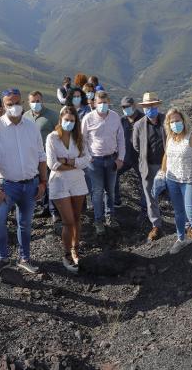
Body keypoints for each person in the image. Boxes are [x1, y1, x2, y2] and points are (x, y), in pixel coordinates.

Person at [0, 88, 48, 275]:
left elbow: (41, 157)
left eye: (17, 103)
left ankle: (24, 258)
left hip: (31, 184)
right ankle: (2, 257)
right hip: (6, 185)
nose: (14, 107)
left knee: (26, 223)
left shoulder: (31, 127)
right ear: (3, 105)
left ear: (22, 103)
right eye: (9, 104)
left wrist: (43, 182)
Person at [46, 106, 91, 273]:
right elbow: (52, 164)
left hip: (78, 182)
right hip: (59, 182)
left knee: (77, 218)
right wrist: (75, 163)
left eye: (72, 121)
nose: (69, 123)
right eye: (66, 120)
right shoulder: (52, 138)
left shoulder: (79, 137)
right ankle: (66, 254)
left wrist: (68, 161)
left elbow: (87, 159)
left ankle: (75, 248)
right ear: (60, 120)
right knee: (68, 220)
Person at [162, 108, 192, 254]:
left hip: (189, 180)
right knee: (179, 212)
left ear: (184, 120)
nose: (175, 124)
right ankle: (181, 238)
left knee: (191, 213)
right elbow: (166, 156)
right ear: (168, 124)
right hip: (172, 180)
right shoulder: (170, 137)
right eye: (172, 121)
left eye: (177, 120)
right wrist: (162, 174)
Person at [81, 91, 125, 234]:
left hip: (111, 159)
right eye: (99, 103)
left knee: (110, 191)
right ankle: (98, 220)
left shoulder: (115, 116)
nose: (102, 105)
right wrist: (88, 157)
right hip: (95, 161)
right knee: (97, 191)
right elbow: (83, 140)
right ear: (94, 103)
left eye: (105, 102)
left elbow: (121, 138)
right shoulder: (88, 118)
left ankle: (110, 216)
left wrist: (120, 158)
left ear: (109, 102)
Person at [133, 92, 166, 242]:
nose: (150, 109)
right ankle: (156, 225)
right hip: (148, 166)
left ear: (157, 106)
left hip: (168, 165)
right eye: (147, 106)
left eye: (152, 106)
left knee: (174, 193)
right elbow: (136, 146)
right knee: (150, 197)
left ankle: (186, 224)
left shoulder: (167, 120)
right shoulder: (139, 125)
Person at [23, 91, 60, 221]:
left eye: (38, 101)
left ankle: (54, 210)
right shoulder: (25, 116)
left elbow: (60, 134)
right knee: (37, 182)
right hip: (31, 156)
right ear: (28, 102)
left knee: (50, 182)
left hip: (48, 155)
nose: (36, 103)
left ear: (42, 101)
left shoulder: (52, 116)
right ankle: (44, 208)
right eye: (33, 101)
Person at [115, 97, 145, 209]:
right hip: (126, 158)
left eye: (128, 106)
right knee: (114, 173)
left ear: (134, 105)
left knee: (144, 181)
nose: (126, 109)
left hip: (140, 158)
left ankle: (145, 207)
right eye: (124, 107)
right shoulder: (121, 121)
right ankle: (116, 200)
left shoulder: (144, 119)